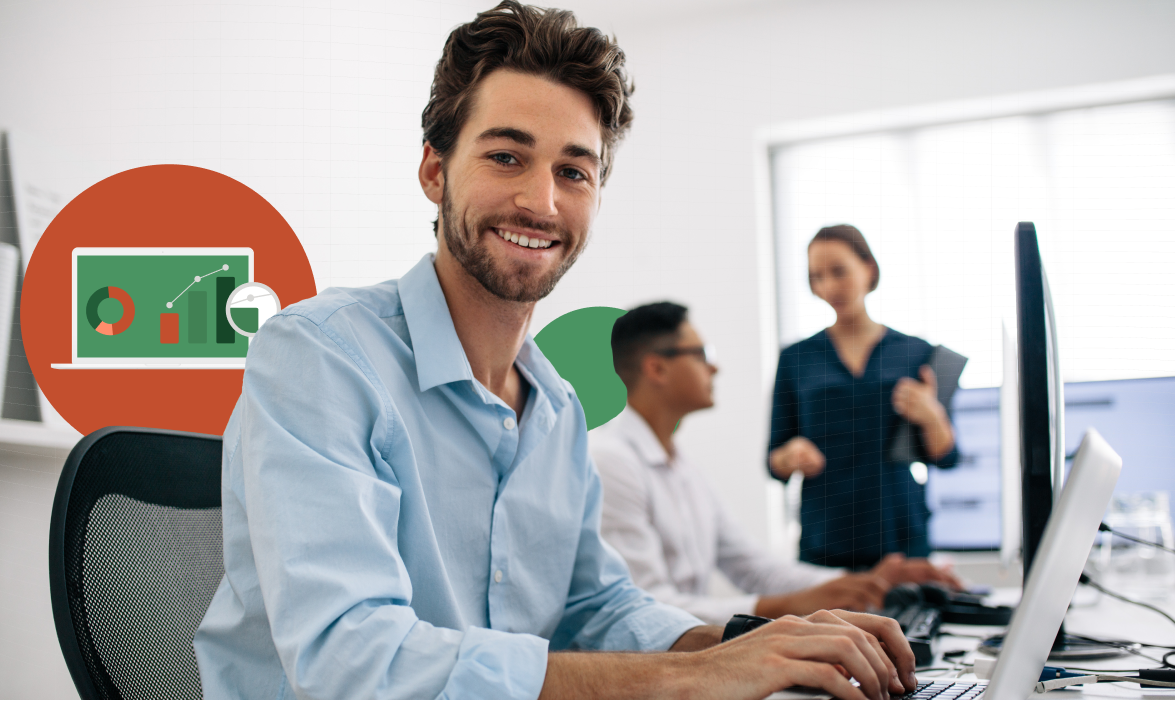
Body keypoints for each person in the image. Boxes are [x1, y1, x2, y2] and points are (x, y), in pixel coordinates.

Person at [193, 5, 918, 699]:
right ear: (434, 172)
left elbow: (597, 606)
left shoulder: (556, 409)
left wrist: (755, 644)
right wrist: (693, 680)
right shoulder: (321, 357)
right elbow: (352, 658)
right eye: (506, 156)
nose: (541, 202)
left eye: (574, 171)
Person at [593, 302, 960, 628]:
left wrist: (866, 581)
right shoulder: (613, 462)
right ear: (657, 368)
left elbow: (754, 568)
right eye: (702, 353)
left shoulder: (683, 467)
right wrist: (788, 607)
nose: (715, 367)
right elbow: (647, 608)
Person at [768, 224, 962, 571]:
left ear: (868, 268)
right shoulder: (796, 358)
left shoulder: (917, 353)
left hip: (900, 537)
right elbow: (773, 461)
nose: (828, 286)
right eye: (817, 277)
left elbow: (947, 457)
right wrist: (790, 455)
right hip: (825, 542)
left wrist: (931, 416)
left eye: (838, 272)